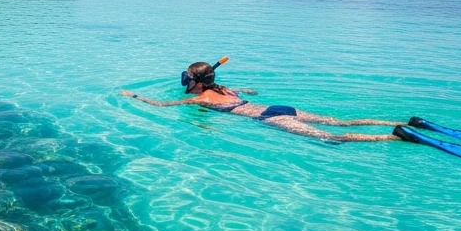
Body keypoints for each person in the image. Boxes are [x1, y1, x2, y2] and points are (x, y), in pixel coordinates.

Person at [121, 59, 402, 143]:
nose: (184, 84)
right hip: (277, 108)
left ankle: (391, 138)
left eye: (187, 79)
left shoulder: (202, 99)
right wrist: (243, 91)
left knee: (331, 137)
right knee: (341, 122)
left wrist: (133, 95)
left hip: (268, 118)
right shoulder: (226, 89)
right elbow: (251, 91)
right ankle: (396, 123)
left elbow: (161, 106)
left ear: (194, 82)